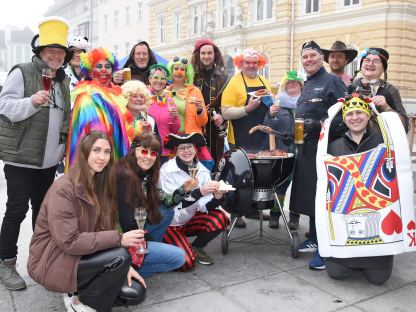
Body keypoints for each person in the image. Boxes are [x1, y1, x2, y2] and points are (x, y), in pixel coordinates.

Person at [28, 130, 146, 312]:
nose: (102, 157)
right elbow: (69, 241)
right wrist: (119, 241)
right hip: (54, 259)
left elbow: (105, 228)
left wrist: (125, 267)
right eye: (96, 150)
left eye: (107, 152)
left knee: (136, 293)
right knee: (119, 257)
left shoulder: (101, 184)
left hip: (85, 252)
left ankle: (80, 294)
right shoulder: (63, 189)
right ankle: (78, 303)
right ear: (84, 153)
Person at [0, 17, 72, 291]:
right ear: (40, 53)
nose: (55, 56)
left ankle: (40, 260)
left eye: (60, 53)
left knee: (42, 212)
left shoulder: (62, 82)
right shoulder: (23, 72)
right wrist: (31, 101)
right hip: (21, 157)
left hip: (49, 161)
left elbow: (63, 120)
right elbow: (4, 105)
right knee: (16, 210)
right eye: (50, 51)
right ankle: (5, 262)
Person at [289, 41, 347, 270]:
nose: (309, 60)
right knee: (311, 196)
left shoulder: (332, 81)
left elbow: (345, 116)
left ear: (321, 58)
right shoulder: (308, 83)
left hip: (324, 150)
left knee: (323, 199)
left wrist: (319, 127)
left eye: (313, 55)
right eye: (305, 57)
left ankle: (325, 249)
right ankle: (314, 238)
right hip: (306, 150)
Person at [325, 93, 394, 285]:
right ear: (344, 119)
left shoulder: (383, 143)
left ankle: (373, 261)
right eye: (350, 114)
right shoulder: (333, 146)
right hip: (347, 218)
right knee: (336, 273)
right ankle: (350, 261)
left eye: (359, 112)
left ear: (368, 115)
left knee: (379, 279)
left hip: (376, 215)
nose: (354, 118)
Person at [114, 133, 186, 278]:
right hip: (119, 238)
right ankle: (124, 271)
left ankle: (142, 260)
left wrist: (184, 189)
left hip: (134, 228)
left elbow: (165, 200)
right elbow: (127, 222)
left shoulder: (145, 174)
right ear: (134, 151)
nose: (148, 157)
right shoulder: (124, 175)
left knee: (166, 211)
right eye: (144, 151)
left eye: (153, 153)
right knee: (179, 257)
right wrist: (147, 242)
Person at [160, 133, 230, 271]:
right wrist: (199, 192)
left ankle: (196, 247)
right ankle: (164, 247)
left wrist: (217, 196)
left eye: (190, 147)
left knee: (221, 218)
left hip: (188, 220)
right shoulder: (166, 170)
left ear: (196, 149)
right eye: (182, 148)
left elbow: (204, 206)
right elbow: (171, 205)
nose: (186, 151)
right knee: (186, 263)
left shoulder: (203, 171)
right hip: (168, 224)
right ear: (176, 151)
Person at [221, 48, 272, 227]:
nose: (251, 66)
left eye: (254, 63)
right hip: (240, 136)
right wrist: (247, 109)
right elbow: (225, 112)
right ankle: (236, 213)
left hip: (261, 137)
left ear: (259, 64)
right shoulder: (234, 82)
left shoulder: (263, 80)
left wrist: (273, 109)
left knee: (257, 176)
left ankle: (251, 209)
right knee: (239, 176)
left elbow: (269, 104)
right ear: (240, 64)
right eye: (247, 62)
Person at [67, 47, 133, 168]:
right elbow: (89, 132)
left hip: (116, 154)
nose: (104, 70)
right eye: (98, 66)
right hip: (96, 159)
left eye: (107, 67)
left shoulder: (115, 94)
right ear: (90, 71)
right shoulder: (85, 95)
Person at [263, 70, 303, 229]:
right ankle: (275, 215)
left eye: (295, 83)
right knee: (280, 185)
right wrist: (270, 115)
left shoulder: (306, 103)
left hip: (303, 150)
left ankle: (294, 218)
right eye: (289, 84)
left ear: (301, 86)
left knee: (300, 186)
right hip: (283, 150)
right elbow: (268, 128)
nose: (291, 86)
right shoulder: (278, 103)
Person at [166, 56, 214, 171]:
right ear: (171, 71)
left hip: (191, 139)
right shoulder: (165, 93)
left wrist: (199, 110)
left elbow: (203, 122)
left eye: (182, 69)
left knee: (203, 166)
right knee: (175, 170)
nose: (178, 72)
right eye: (176, 68)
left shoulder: (195, 91)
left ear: (187, 72)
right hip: (174, 140)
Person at [349, 47, 408, 131]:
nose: (370, 64)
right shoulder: (351, 88)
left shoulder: (390, 90)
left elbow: (405, 126)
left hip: (381, 142)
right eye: (367, 60)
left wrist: (387, 107)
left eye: (376, 61)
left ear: (383, 68)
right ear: (361, 66)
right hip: (353, 140)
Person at [191, 38, 229, 167]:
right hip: (195, 124)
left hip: (215, 125)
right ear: (198, 55)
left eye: (209, 53)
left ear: (215, 54)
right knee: (194, 160)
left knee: (215, 160)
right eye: (203, 53)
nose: (206, 56)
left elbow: (228, 102)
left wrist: (222, 116)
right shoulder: (191, 76)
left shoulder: (223, 76)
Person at [147, 63, 180, 164]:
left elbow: (175, 129)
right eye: (156, 77)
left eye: (162, 78)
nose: (159, 81)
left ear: (166, 81)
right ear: (150, 79)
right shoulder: (142, 96)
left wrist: (174, 117)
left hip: (164, 151)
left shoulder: (169, 100)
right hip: (146, 149)